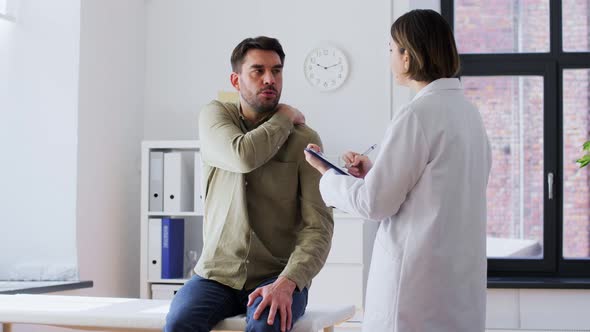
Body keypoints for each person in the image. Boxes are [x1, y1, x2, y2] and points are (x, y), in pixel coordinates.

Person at [305, 9, 492, 332]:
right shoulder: (468, 113)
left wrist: (329, 178)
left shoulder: (417, 114)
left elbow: (374, 204)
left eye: (391, 49)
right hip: (458, 289)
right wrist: (376, 170)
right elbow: (439, 183)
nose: (389, 57)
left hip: (415, 291)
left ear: (408, 56)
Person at [164, 36, 334, 332]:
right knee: (179, 323)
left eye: (277, 71)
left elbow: (318, 226)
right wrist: (284, 115)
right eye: (258, 71)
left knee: (265, 325)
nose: (270, 79)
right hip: (216, 274)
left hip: (277, 275)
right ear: (236, 79)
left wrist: (288, 281)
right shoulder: (215, 117)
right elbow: (242, 156)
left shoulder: (305, 140)